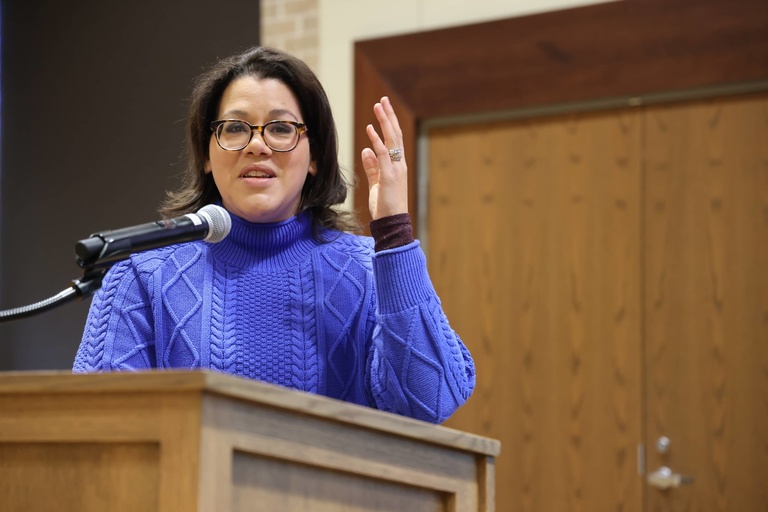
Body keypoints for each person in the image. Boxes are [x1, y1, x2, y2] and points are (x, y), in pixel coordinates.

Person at [73, 46, 474, 424]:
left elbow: (431, 401)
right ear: (207, 154)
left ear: (314, 156)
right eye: (234, 128)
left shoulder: (369, 270)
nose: (257, 145)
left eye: (281, 128)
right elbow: (102, 432)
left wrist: (394, 235)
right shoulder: (143, 277)